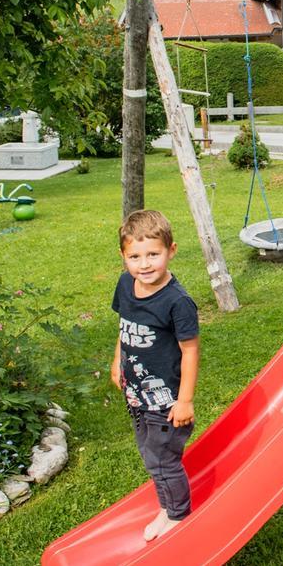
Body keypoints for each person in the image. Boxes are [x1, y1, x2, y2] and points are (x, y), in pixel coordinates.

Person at [111, 210, 200, 542]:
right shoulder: (125, 285)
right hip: (136, 394)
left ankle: (178, 516)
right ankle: (167, 506)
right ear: (124, 257)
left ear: (171, 251)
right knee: (150, 454)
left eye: (153, 254)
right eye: (135, 256)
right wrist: (117, 360)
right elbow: (124, 325)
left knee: (163, 458)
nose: (144, 264)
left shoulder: (177, 302)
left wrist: (185, 401)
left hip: (167, 401)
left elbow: (190, 351)